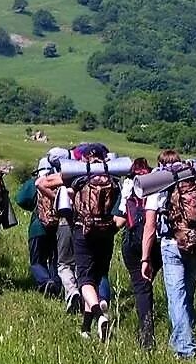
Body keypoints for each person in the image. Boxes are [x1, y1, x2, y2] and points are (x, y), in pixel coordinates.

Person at [140, 149, 196, 360]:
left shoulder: (158, 184)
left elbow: (150, 227)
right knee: (187, 297)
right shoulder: (195, 182)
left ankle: (185, 349)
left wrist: (145, 258)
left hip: (172, 245)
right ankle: (183, 338)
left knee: (176, 298)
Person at [38, 143, 119, 342]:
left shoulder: (78, 175)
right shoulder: (114, 177)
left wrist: (62, 199)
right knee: (98, 275)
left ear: (84, 159)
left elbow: (41, 183)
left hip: (82, 230)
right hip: (107, 232)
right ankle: (85, 328)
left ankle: (99, 316)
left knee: (84, 279)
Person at [113, 157, 158, 350]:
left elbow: (119, 221)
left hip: (133, 242)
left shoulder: (128, 185)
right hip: (156, 241)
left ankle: (146, 334)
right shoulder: (159, 183)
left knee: (141, 288)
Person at [15, 149, 66, 297]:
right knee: (56, 259)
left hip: (38, 228)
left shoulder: (34, 183)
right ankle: (56, 285)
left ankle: (44, 281)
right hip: (58, 227)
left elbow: (20, 199)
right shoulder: (59, 180)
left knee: (37, 260)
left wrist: (33, 207)